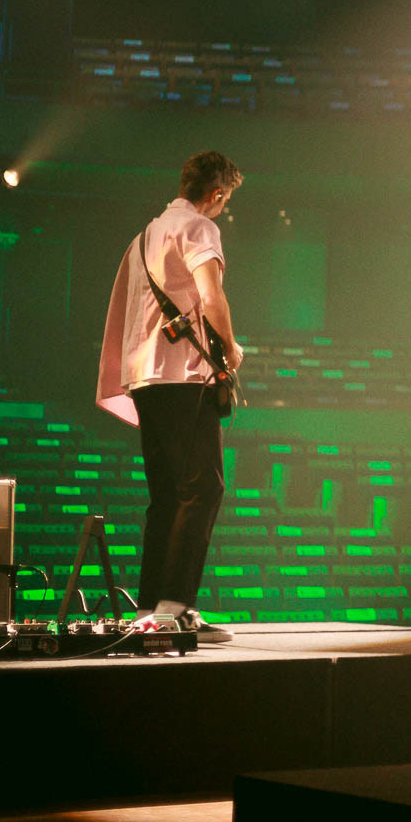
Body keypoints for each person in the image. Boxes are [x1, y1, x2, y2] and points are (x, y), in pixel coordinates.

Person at [96, 151, 245, 636]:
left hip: (144, 377)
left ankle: (150, 610)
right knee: (204, 488)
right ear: (216, 193)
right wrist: (230, 347)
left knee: (165, 496)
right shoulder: (199, 228)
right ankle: (174, 609)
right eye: (225, 198)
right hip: (182, 376)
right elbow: (211, 296)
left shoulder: (145, 236)